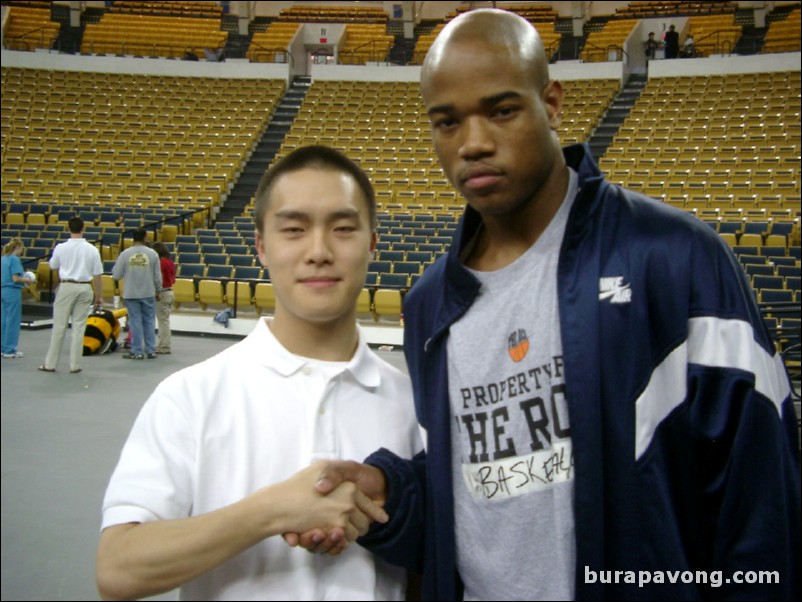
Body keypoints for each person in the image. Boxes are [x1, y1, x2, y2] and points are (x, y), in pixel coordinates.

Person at [290, 9, 801, 601]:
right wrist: (395, 493)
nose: (474, 142)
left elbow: (762, 502)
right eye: (447, 122)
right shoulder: (431, 305)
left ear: (552, 103)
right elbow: (479, 484)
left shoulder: (675, 258)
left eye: (501, 110)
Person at [96, 145, 423, 601]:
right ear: (262, 247)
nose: (319, 251)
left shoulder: (414, 405)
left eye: (343, 229)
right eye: (293, 229)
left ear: (372, 243)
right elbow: (118, 568)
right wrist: (271, 510)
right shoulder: (190, 395)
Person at [39, 216, 103, 373]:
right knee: (79, 327)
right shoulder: (92, 249)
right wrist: (98, 296)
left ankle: (50, 364)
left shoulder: (61, 247)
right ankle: (75, 365)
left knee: (59, 326)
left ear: (68, 228)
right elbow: (98, 275)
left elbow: (53, 265)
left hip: (67, 286)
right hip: (85, 287)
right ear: (84, 228)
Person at [112, 229, 161, 360]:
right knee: (149, 321)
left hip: (131, 293)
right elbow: (157, 276)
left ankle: (137, 351)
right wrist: (158, 290)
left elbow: (116, 275)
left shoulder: (125, 254)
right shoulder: (153, 254)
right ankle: (151, 350)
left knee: (135, 322)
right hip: (148, 292)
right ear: (145, 237)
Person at [1, 238, 36, 358]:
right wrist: (27, 280)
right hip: (12, 292)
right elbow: (16, 279)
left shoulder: (3, 259)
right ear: (18, 247)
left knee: (3, 320)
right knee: (12, 320)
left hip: (2, 290)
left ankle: (2, 348)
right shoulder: (15, 259)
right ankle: (10, 350)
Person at [152, 241, 175, 354]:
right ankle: (163, 344)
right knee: (164, 320)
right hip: (170, 291)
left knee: (163, 321)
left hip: (162, 293)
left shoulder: (160, 263)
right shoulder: (170, 262)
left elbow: (159, 279)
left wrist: (157, 291)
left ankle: (164, 346)